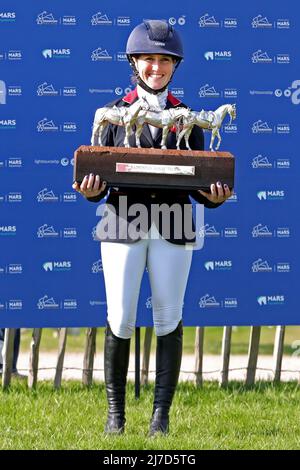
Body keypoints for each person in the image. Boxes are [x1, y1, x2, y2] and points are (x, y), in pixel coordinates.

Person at [73, 20, 232, 436]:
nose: (156, 68)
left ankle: (160, 418)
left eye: (164, 60)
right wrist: (90, 192)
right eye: (149, 60)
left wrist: (212, 198)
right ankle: (115, 416)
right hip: (122, 220)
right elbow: (97, 180)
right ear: (135, 64)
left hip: (175, 224)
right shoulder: (113, 112)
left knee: (168, 318)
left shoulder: (189, 119)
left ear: (174, 66)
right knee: (121, 317)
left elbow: (198, 183)